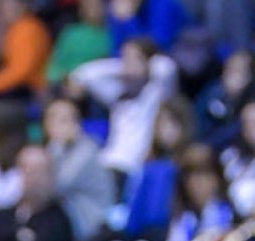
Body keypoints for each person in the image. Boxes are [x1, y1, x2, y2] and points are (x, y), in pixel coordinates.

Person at [67, 38, 179, 184]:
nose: (128, 64)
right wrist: (124, 66)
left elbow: (166, 67)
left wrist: (139, 65)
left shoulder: (154, 94)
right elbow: (83, 75)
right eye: (124, 58)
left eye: (134, 59)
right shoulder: (117, 95)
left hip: (134, 168)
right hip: (108, 162)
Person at [43, 97, 116, 241]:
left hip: (92, 227)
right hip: (69, 225)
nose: (66, 125)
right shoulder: (54, 151)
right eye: (58, 120)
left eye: (69, 120)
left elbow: (58, 185)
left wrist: (56, 145)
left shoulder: (87, 149)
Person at [161, 143, 234, 241]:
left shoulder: (230, 216)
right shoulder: (181, 218)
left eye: (204, 175)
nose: (196, 183)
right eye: (190, 176)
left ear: (217, 179)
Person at [47, 0, 112, 85]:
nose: (93, 10)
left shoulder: (110, 34)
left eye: (97, 6)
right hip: (65, 83)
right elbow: (54, 65)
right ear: (81, 10)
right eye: (88, 6)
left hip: (95, 83)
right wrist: (60, 78)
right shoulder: (69, 33)